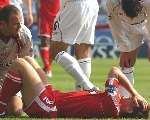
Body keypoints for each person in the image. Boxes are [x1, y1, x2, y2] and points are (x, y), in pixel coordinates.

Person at [1, 56, 149, 118]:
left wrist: (134, 92)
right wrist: (135, 94)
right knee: (29, 59)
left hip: (49, 107)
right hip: (52, 97)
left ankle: (1, 109)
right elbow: (115, 72)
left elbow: (114, 71)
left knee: (20, 63)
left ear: (131, 109)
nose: (134, 97)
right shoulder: (114, 100)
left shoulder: (114, 104)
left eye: (138, 102)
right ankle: (11, 102)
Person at [50, 0, 99, 90]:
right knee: (83, 52)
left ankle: (88, 86)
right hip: (92, 5)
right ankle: (81, 94)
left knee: (55, 51)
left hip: (75, 5)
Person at [106, 0, 150, 96]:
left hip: (147, 22)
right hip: (127, 26)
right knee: (126, 63)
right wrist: (124, 49)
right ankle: (126, 100)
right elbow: (115, 26)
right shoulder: (111, 3)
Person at [0, 5, 33, 116]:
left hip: (11, 78)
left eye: (20, 23)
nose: (19, 27)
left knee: (16, 110)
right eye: (15, 24)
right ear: (2, 25)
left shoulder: (24, 34)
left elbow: (27, 67)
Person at [38, 0, 60, 77]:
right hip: (45, 16)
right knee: (44, 41)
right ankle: (47, 68)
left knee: (54, 43)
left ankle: (47, 67)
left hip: (57, 15)